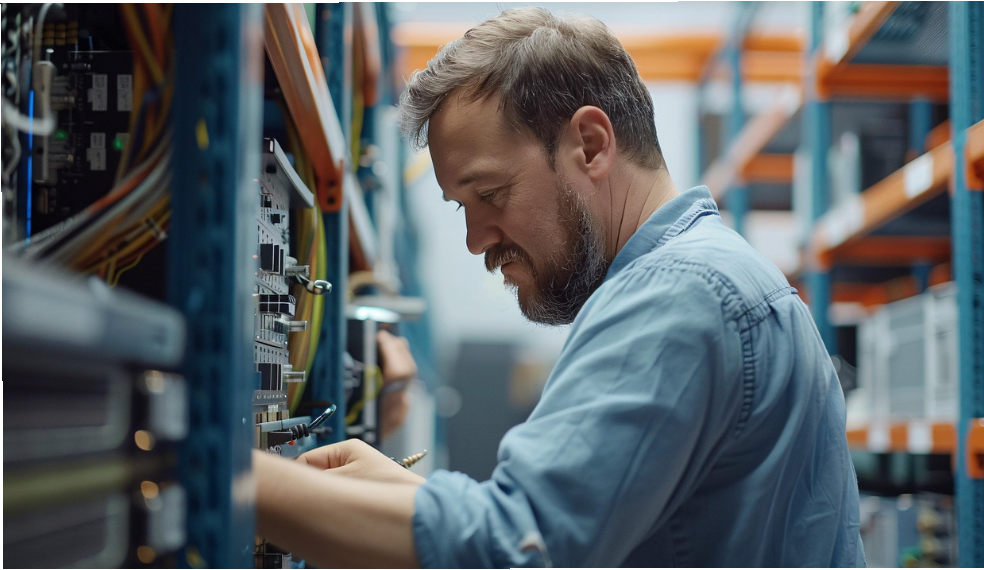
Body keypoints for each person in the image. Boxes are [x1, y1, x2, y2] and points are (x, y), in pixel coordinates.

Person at [255, 7, 865, 567]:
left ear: (591, 145)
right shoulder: (713, 277)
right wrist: (405, 498)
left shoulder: (678, 294)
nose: (474, 240)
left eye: (490, 194)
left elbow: (520, 550)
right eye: (462, 207)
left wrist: (239, 477)